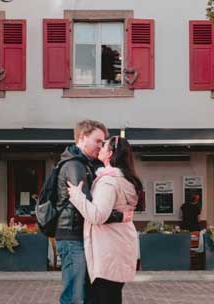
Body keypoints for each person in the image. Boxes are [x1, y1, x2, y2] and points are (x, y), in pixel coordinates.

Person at [55, 119, 128, 304]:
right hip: (72, 238)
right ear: (82, 137)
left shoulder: (86, 164)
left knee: (85, 295)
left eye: (103, 142)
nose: (101, 146)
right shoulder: (74, 166)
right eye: (98, 141)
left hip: (81, 237)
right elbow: (91, 209)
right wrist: (119, 215)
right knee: (75, 296)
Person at [67, 136, 142, 304]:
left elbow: (97, 215)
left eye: (104, 146)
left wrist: (77, 197)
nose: (99, 148)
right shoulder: (124, 179)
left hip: (108, 249)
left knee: (105, 296)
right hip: (119, 245)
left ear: (110, 153)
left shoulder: (108, 182)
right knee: (113, 295)